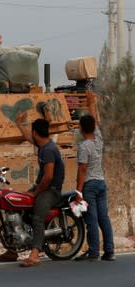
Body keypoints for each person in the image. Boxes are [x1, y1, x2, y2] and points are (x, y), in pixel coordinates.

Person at [0, 115, 64, 266]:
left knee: (37, 217)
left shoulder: (49, 150)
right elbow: (29, 138)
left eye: (32, 132)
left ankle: (35, 254)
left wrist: (35, 193)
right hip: (42, 187)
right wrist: (19, 124)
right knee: (19, 207)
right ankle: (13, 250)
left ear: (36, 133)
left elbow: (49, 176)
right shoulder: (43, 145)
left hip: (51, 191)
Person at [74, 91, 115, 262]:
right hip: (101, 183)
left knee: (91, 219)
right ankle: (109, 251)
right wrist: (92, 103)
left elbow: (82, 170)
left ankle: (93, 251)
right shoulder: (98, 139)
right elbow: (95, 120)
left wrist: (79, 192)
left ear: (82, 129)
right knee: (104, 218)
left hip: (89, 185)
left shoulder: (84, 146)